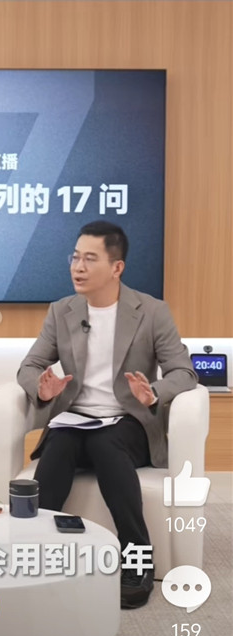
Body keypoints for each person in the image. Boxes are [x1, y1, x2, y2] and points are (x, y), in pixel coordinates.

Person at [17, 221, 197, 609]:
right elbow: (29, 366)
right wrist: (41, 389)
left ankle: (137, 561)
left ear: (117, 267)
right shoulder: (62, 311)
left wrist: (154, 393)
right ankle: (32, 555)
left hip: (128, 425)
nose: (78, 267)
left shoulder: (151, 311)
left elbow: (184, 372)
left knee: (106, 443)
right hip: (74, 421)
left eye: (89, 259)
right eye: (75, 257)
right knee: (59, 448)